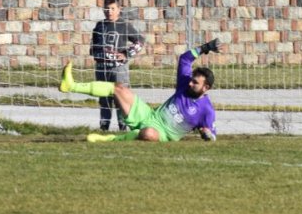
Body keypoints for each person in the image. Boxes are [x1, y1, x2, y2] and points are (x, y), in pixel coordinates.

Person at [60, 38, 220, 142]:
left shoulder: (207, 110)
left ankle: (111, 139)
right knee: (119, 88)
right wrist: (205, 47)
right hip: (149, 115)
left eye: (195, 83)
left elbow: (212, 136)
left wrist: (206, 134)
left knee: (148, 134)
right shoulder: (185, 84)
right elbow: (185, 59)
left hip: (162, 135)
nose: (190, 84)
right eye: (192, 80)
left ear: (206, 88)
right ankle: (71, 85)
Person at [91, 0, 144, 131]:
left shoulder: (124, 25)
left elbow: (140, 41)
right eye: (107, 8)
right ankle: (104, 126)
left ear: (119, 10)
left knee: (121, 98)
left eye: (112, 9)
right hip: (102, 69)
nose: (109, 11)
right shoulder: (99, 26)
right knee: (104, 99)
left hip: (118, 69)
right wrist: (97, 54)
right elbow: (93, 47)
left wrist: (126, 54)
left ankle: (123, 126)